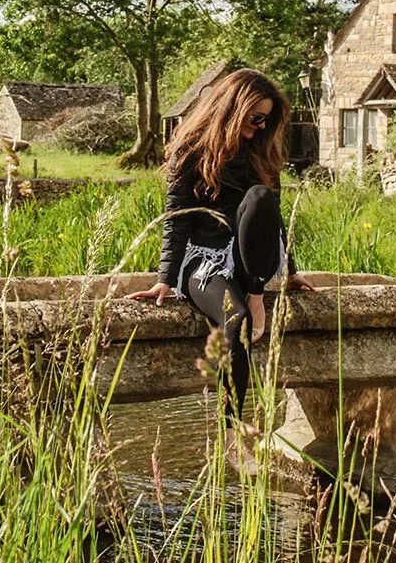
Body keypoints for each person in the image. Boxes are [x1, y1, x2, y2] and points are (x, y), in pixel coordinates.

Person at [127, 68, 315, 422]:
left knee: (261, 197)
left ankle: (257, 295)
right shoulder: (190, 151)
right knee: (236, 316)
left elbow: (272, 219)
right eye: (256, 118)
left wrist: (290, 271)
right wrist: (164, 279)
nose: (262, 127)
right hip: (206, 262)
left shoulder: (262, 154)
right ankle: (231, 430)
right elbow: (177, 219)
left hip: (253, 263)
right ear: (233, 110)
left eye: (267, 120)